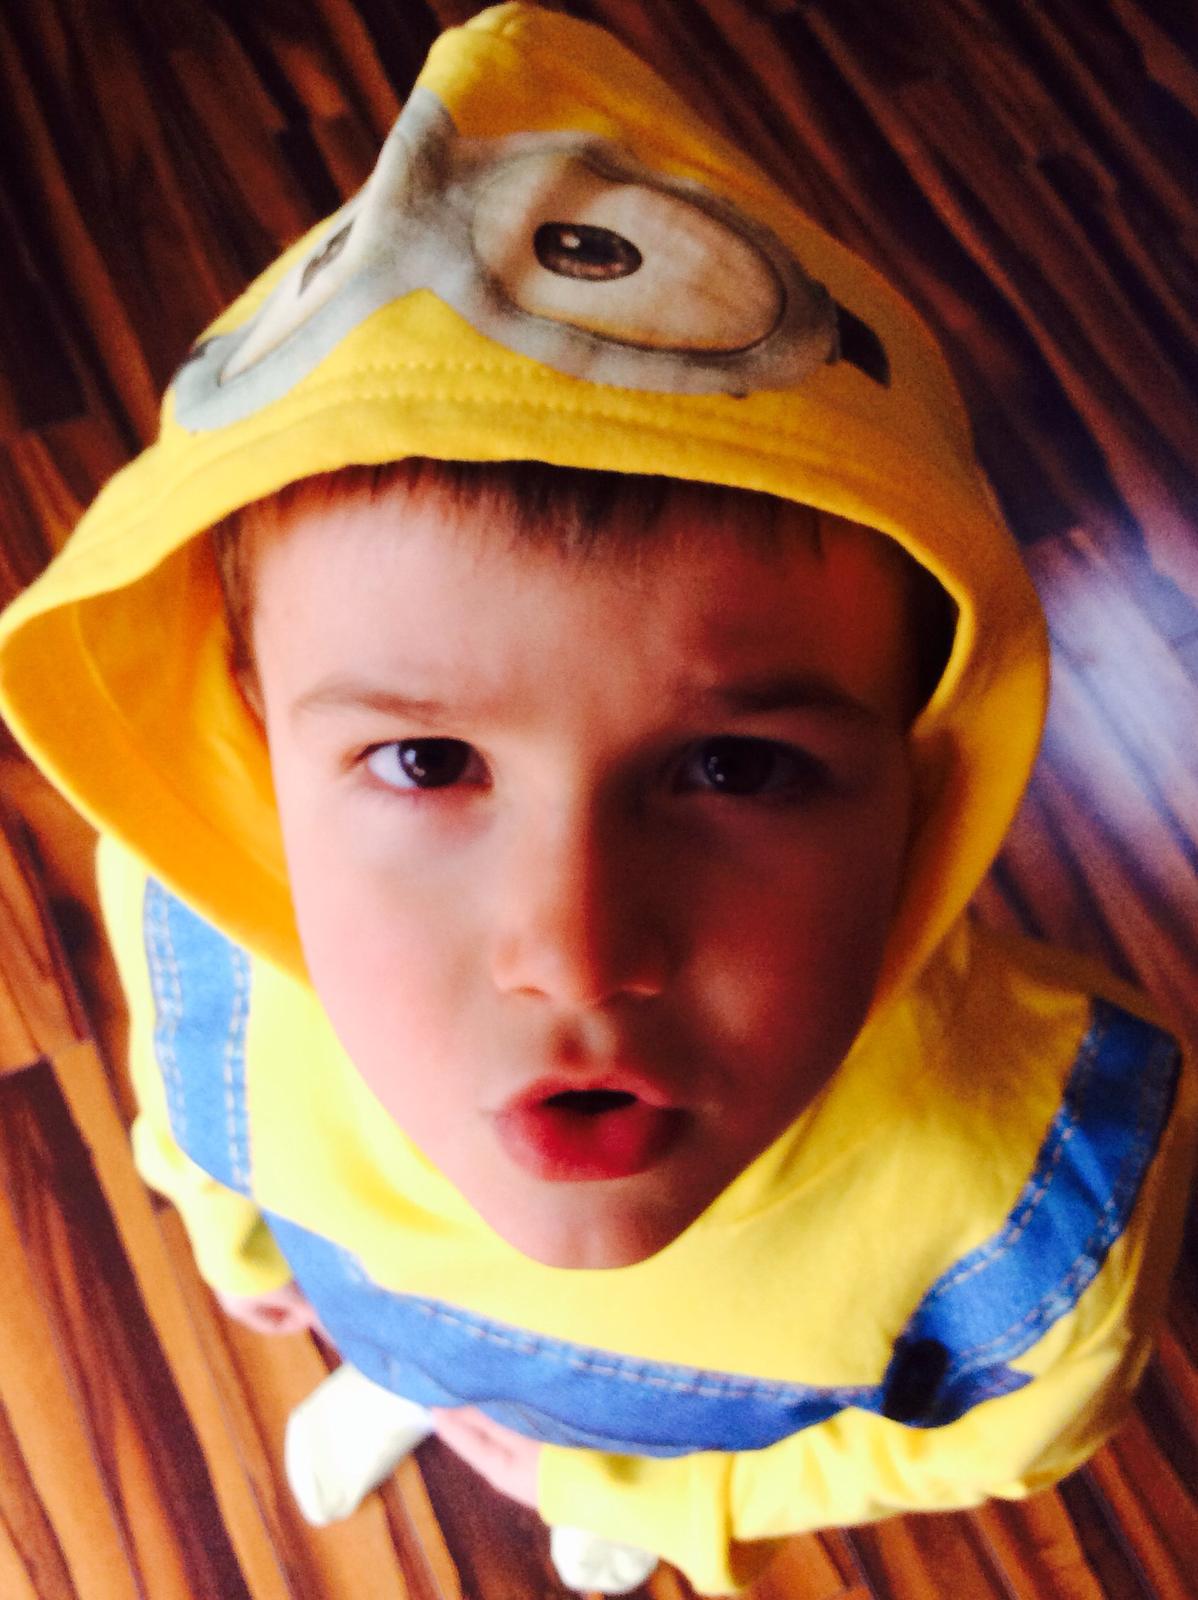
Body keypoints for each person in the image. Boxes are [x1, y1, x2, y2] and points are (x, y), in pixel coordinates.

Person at [0, 6, 1192, 1595]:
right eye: (426, 762)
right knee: (415, 1363)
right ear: (254, 744)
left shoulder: (1028, 1186)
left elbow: (998, 1438)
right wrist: (237, 1242)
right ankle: (412, 1386)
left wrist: (658, 1501)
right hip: (384, 1316)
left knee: (594, 1492)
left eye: (734, 767)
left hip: (690, 1445)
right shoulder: (196, 920)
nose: (572, 953)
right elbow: (191, 1109)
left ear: (923, 774)